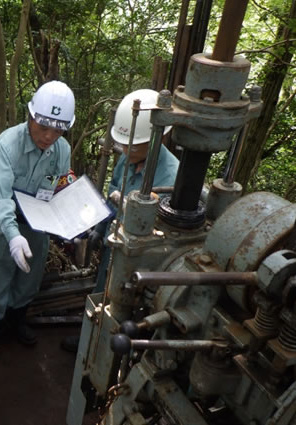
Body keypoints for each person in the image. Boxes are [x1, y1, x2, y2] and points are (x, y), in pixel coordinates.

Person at [61, 88, 179, 353]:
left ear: (154, 140)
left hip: (138, 258)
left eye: (132, 145)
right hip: (113, 245)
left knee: (123, 308)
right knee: (102, 293)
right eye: (123, 144)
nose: (124, 150)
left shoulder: (170, 177)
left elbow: (162, 231)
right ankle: (87, 341)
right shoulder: (126, 160)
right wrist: (98, 230)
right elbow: (111, 198)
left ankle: (106, 353)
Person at [0, 80, 76, 350]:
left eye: (57, 130)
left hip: (37, 227)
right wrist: (13, 237)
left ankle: (17, 320)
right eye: (43, 127)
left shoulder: (62, 151)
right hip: (2, 227)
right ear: (31, 116)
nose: (49, 136)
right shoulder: (7, 145)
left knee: (29, 277)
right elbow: (0, 198)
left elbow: (60, 187)